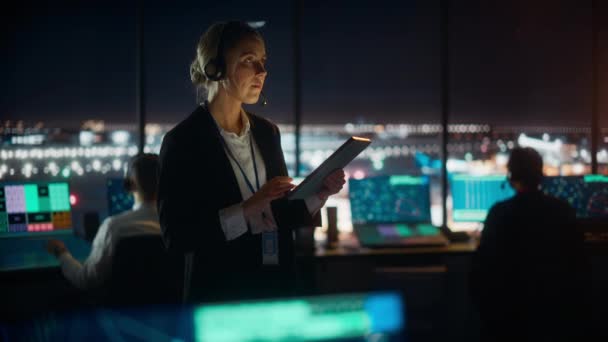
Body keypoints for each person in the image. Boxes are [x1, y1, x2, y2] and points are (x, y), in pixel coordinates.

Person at [157, 21, 345, 303]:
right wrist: (245, 210)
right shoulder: (182, 142)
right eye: (248, 60)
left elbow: (278, 212)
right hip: (221, 294)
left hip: (275, 286)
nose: (262, 72)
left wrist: (318, 194)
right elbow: (177, 237)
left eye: (263, 62)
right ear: (216, 67)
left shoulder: (267, 133)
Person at [470, 147, 585, 341]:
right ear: (541, 175)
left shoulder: (499, 214)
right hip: (554, 318)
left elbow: (480, 272)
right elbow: (580, 269)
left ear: (510, 176)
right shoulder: (563, 211)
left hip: (507, 321)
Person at [46, 154, 162, 290]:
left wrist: (61, 253)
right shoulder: (178, 228)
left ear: (128, 185)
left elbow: (86, 280)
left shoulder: (113, 227)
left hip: (121, 310)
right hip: (173, 309)